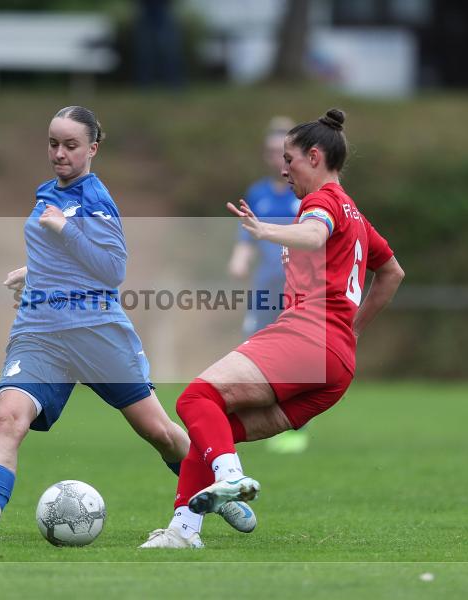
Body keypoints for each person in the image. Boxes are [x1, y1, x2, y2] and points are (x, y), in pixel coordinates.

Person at [139, 109, 405, 548]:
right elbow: (392, 272)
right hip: (336, 364)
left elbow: (315, 235)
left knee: (195, 398)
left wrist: (266, 231)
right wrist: (352, 331)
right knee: (213, 429)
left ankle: (231, 478)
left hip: (306, 336)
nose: (283, 168)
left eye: (290, 158)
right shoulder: (355, 215)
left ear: (315, 157)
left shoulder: (319, 203)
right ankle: (183, 532)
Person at [0, 106, 193, 543]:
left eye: (71, 145)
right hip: (39, 332)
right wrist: (32, 272)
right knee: (7, 420)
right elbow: (63, 258)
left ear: (92, 148)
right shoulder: (46, 193)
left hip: (95, 332)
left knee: (158, 431)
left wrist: (64, 231)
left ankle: (217, 485)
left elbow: (113, 270)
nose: (59, 153)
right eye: (54, 143)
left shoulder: (96, 200)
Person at [227, 116, 310, 455]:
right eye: (272, 151)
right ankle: (257, 420)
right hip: (265, 287)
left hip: (299, 290)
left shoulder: (306, 194)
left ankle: (294, 426)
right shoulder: (258, 193)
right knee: (255, 351)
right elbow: (246, 234)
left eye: (284, 152)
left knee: (298, 357)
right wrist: (240, 257)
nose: (278, 158)